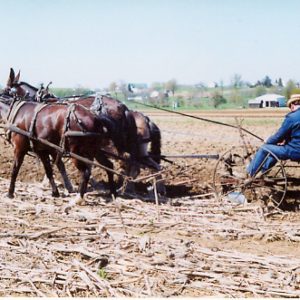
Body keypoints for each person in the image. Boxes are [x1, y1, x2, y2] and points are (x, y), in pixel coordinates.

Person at [247, 94, 300, 177]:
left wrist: (268, 141)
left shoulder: (292, 117)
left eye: (290, 106)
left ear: (293, 105)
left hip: (295, 151)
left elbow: (279, 136)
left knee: (264, 148)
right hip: (296, 148)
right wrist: (285, 141)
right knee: (274, 150)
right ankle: (263, 173)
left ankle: (250, 174)